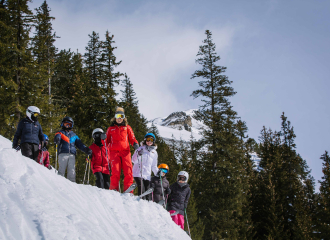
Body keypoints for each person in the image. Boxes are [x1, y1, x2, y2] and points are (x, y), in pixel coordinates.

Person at [106, 107, 139, 193]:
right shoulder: (111, 129)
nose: (119, 118)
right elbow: (106, 141)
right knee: (115, 172)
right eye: (117, 116)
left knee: (128, 171)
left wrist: (135, 143)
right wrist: (103, 138)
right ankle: (114, 190)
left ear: (124, 117)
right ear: (115, 117)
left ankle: (128, 190)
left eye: (121, 116)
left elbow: (132, 138)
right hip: (114, 152)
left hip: (125, 152)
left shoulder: (127, 127)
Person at [54, 117, 92, 182]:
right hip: (63, 153)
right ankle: (59, 183)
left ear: (72, 125)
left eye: (69, 124)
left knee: (72, 171)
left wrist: (85, 149)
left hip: (72, 155)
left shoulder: (74, 135)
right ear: (62, 124)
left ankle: (72, 185)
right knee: (61, 169)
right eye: (66, 124)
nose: (67, 126)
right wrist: (57, 139)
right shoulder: (60, 133)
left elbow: (80, 144)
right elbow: (57, 136)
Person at [132, 133, 159, 198]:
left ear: (153, 141)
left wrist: (158, 173)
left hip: (147, 174)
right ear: (145, 140)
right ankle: (140, 202)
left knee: (147, 190)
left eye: (151, 140)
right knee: (141, 188)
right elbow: (133, 160)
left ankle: (147, 204)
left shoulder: (154, 152)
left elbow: (154, 166)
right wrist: (138, 154)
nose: (149, 141)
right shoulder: (140, 148)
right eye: (147, 139)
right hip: (138, 173)